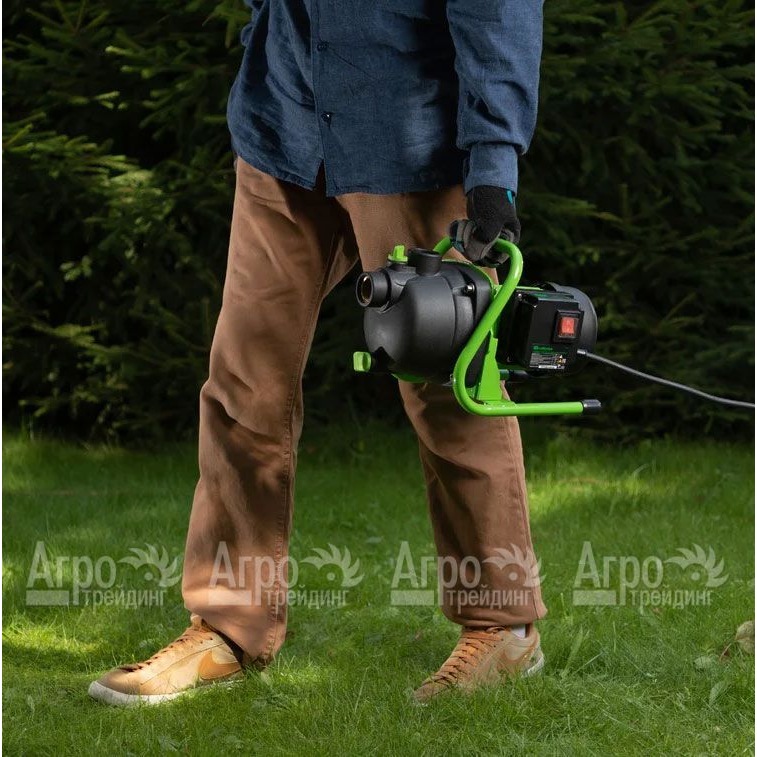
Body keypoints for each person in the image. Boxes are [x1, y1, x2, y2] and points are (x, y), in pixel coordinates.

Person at [88, 0, 547, 706]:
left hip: (408, 142)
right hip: (284, 133)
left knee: (450, 384)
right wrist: (262, 46)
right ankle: (228, 625)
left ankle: (503, 626)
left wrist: (493, 159)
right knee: (244, 382)